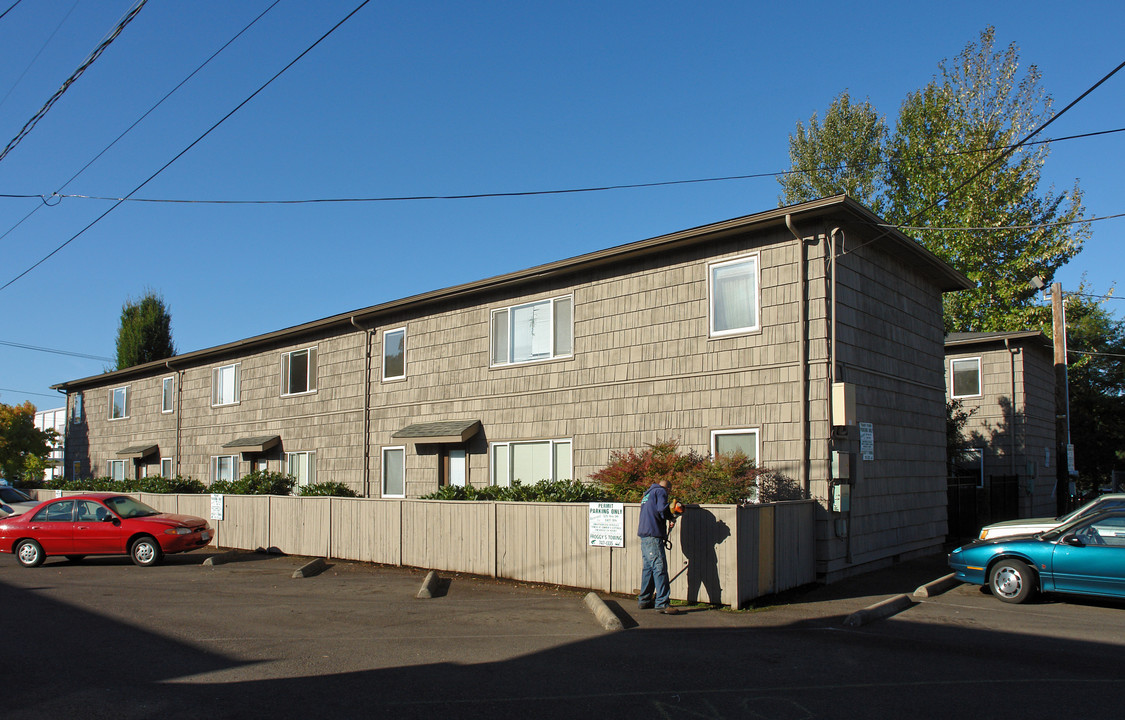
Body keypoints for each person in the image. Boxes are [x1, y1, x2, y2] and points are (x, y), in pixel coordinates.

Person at [637, 479, 682, 615]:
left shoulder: (647, 494)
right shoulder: (661, 492)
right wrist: (672, 516)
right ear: (668, 489)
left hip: (645, 535)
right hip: (653, 535)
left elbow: (655, 512)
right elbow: (662, 509)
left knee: (648, 569)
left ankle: (644, 600)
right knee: (659, 568)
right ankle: (662, 603)